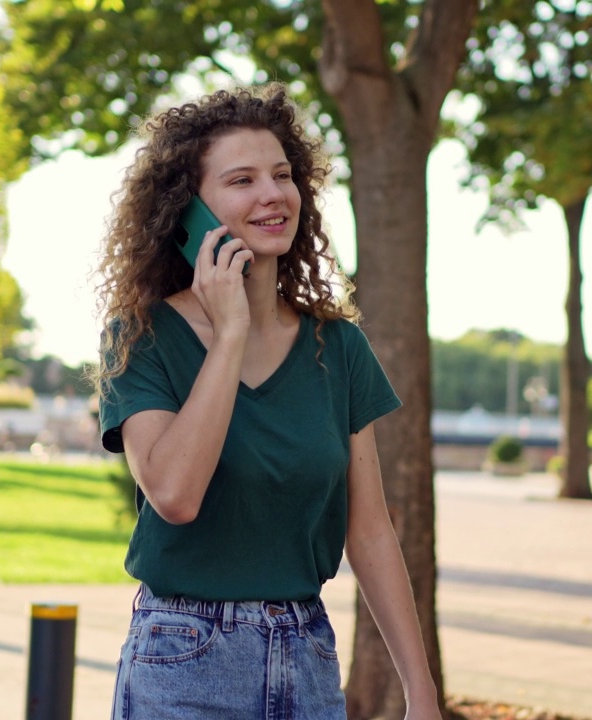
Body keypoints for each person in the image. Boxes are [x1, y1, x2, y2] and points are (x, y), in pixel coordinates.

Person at [93, 84, 440, 719]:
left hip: (306, 655)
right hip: (184, 659)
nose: (272, 194)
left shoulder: (337, 347)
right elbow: (173, 494)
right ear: (189, 210)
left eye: (282, 174)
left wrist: (420, 693)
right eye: (241, 180)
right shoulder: (141, 338)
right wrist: (230, 334)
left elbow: (370, 530)